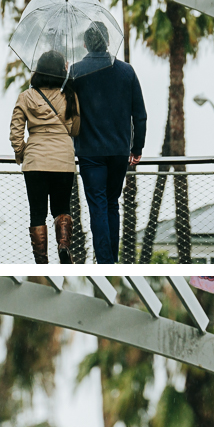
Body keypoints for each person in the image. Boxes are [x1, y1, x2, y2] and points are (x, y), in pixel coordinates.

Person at [70, 23, 147, 264]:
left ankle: (104, 262)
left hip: (89, 152)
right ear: (107, 42)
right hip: (118, 151)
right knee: (112, 204)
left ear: (85, 44)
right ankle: (111, 259)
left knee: (98, 207)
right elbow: (140, 115)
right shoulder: (126, 72)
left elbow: (68, 111)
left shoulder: (76, 71)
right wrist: (137, 148)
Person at [10, 50, 81, 264]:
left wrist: (23, 153)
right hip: (63, 160)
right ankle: (64, 245)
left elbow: (15, 133)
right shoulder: (69, 95)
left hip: (35, 162)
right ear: (61, 72)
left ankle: (41, 260)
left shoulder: (25, 97)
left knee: (37, 213)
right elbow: (75, 129)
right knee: (62, 208)